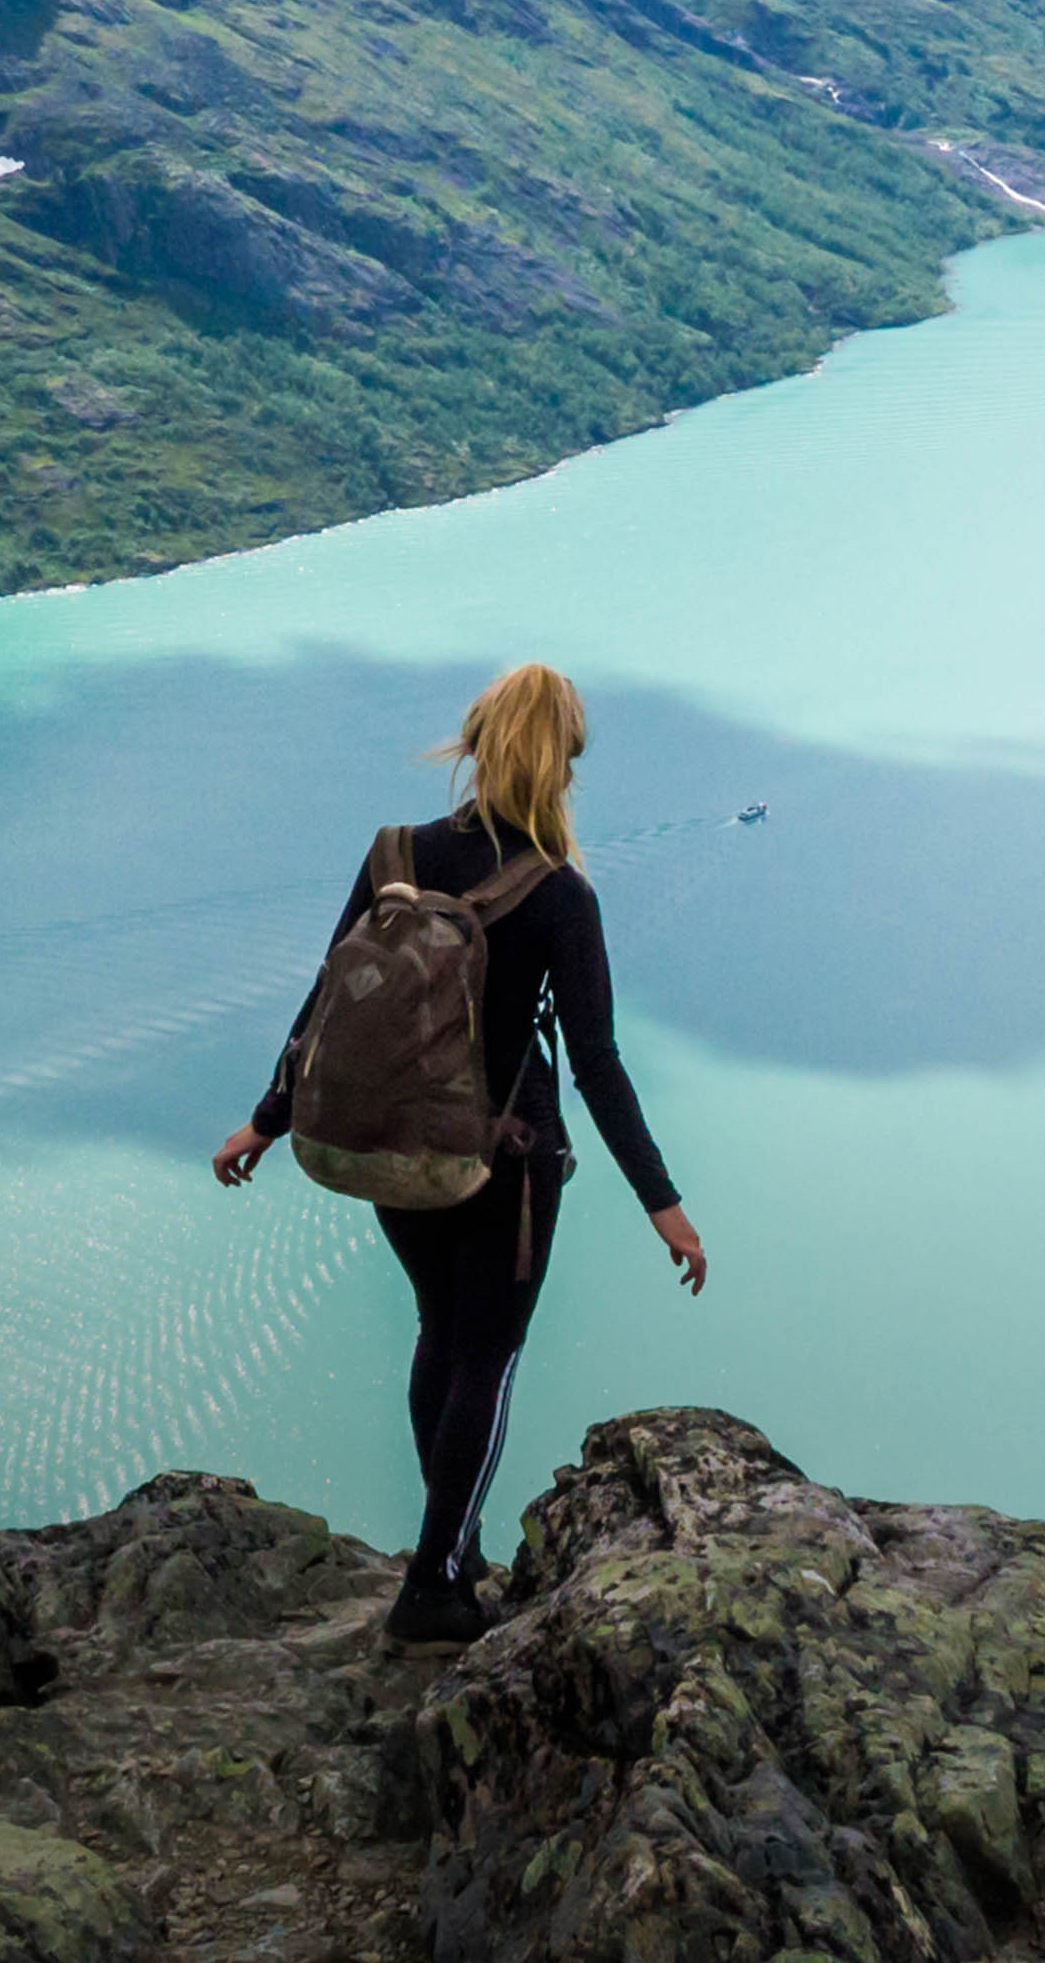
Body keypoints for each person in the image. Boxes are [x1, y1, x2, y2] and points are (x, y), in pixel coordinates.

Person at [214, 664, 709, 1645]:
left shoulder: (397, 851)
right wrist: (664, 1201)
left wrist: (268, 1120)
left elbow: (326, 1002)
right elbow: (597, 1061)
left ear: (475, 744)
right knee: (486, 1356)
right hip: (505, 1164)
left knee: (440, 1332)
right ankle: (433, 1586)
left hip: (394, 1146)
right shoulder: (560, 894)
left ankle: (453, 1548)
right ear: (562, 763)